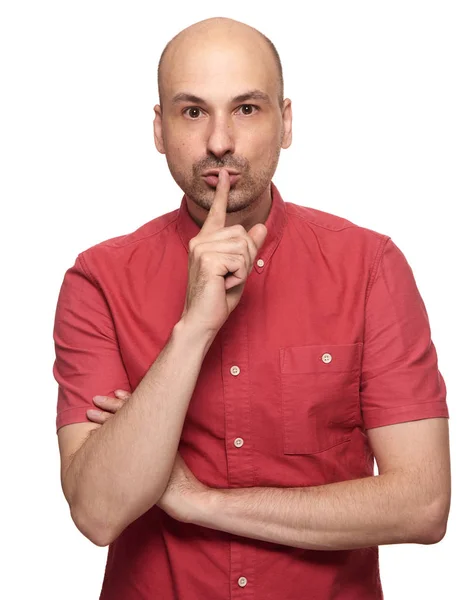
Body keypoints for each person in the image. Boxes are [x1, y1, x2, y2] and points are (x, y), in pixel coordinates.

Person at [53, 16, 451, 600]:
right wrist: (193, 328)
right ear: (159, 130)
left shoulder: (369, 268)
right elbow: (98, 512)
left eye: (246, 108)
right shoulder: (99, 280)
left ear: (285, 122)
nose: (219, 141)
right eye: (192, 112)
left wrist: (203, 504)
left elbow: (423, 504)